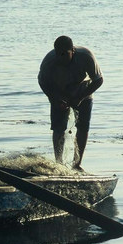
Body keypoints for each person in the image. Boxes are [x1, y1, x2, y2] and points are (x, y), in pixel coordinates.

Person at [38, 36, 103, 170]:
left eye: (65, 54)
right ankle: (59, 163)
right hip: (59, 91)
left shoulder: (86, 56)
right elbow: (42, 82)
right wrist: (55, 98)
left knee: (83, 127)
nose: (61, 57)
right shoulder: (49, 61)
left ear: (72, 51)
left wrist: (80, 97)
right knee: (58, 128)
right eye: (58, 54)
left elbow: (99, 80)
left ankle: (77, 163)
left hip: (83, 91)